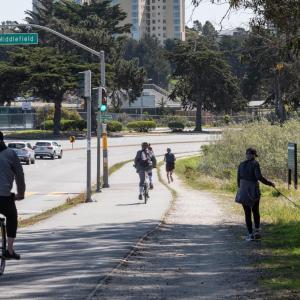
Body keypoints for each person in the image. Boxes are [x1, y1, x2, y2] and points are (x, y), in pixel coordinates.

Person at [236, 147, 275, 241]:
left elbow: (238, 179)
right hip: (253, 190)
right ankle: (257, 232)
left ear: (247, 154)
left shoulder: (241, 164)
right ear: (254, 155)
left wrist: (241, 188)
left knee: (247, 213)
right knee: (255, 211)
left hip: (243, 190)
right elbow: (259, 177)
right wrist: (270, 183)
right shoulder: (255, 163)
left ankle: (250, 235)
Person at [0, 131, 25, 259]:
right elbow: (19, 176)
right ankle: (9, 250)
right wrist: (20, 194)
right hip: (4, 197)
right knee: (11, 216)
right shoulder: (10, 154)